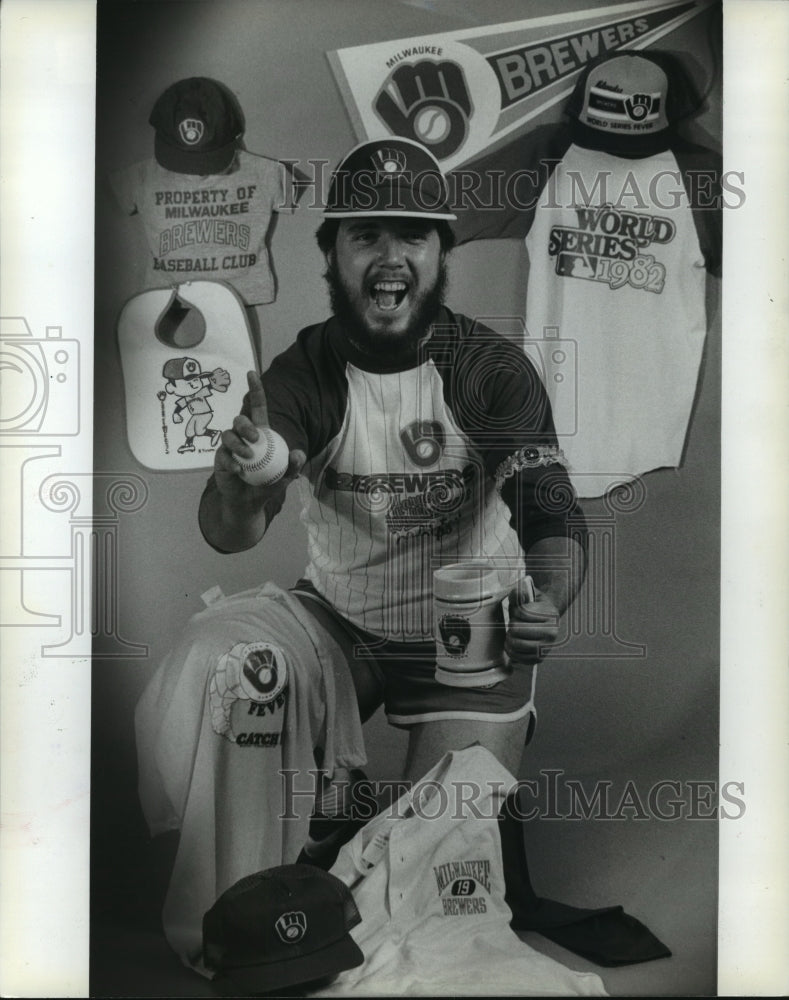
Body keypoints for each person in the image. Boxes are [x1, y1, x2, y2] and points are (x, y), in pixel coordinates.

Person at [135, 137, 588, 974]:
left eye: (411, 235)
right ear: (333, 254)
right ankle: (233, 929)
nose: (389, 257)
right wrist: (251, 472)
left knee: (431, 896)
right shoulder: (305, 367)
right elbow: (233, 525)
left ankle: (341, 841)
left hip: (469, 634)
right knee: (233, 666)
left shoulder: (488, 368)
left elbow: (553, 514)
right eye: (364, 235)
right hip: (341, 624)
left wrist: (547, 600)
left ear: (439, 253)